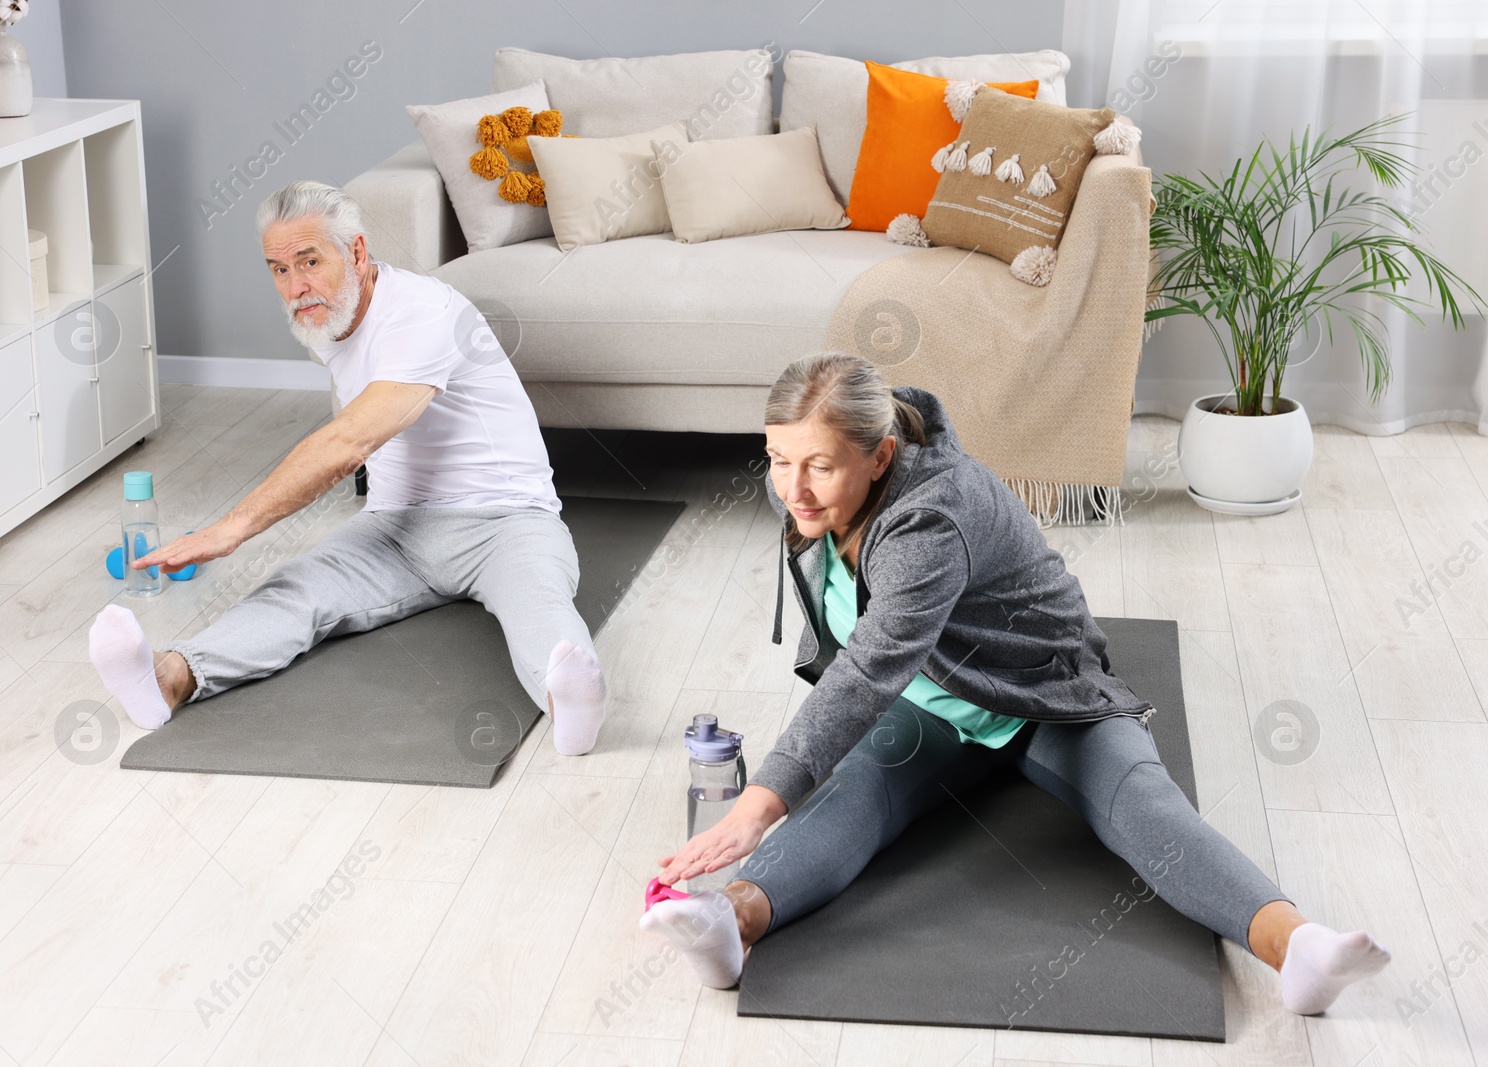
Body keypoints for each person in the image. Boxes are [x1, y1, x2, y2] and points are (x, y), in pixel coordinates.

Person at [641, 352, 1391, 1015]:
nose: (793, 489)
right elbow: (871, 659)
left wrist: (757, 805)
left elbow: (867, 668)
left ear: (881, 456)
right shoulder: (807, 488)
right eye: (778, 459)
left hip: (1042, 699)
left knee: (1144, 804)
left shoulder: (932, 519)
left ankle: (1299, 949)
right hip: (927, 701)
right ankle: (730, 925)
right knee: (854, 794)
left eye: (818, 466)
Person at [87, 179, 607, 756]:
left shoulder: (422, 312)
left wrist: (230, 528)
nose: (295, 286)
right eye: (278, 270)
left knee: (536, 602)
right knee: (296, 590)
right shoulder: (326, 321)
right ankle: (166, 678)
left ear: (356, 252)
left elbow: (350, 440)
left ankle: (571, 707)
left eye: (309, 261)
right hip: (395, 529)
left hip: (505, 521)